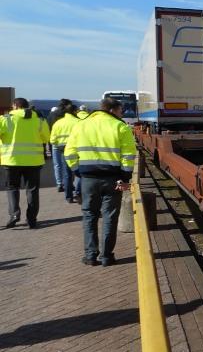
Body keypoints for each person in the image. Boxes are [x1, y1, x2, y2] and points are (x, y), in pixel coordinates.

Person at [65, 98, 135, 266]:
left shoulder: (81, 125)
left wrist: (77, 171)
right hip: (113, 179)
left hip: (88, 179)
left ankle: (90, 255)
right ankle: (106, 256)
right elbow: (128, 156)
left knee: (89, 215)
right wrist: (125, 178)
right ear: (113, 110)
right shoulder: (120, 127)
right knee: (110, 217)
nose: (122, 113)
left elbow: (69, 153)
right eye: (121, 110)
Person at [0, 98, 50, 229]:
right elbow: (47, 138)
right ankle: (32, 219)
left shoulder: (6, 119)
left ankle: (14, 214)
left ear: (15, 106)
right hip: (33, 161)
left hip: (11, 160)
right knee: (32, 190)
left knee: (12, 188)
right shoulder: (39, 120)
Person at [49, 103, 80, 202]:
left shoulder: (58, 123)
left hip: (63, 150)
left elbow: (52, 140)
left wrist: (60, 145)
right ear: (74, 111)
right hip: (78, 149)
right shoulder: (79, 122)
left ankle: (68, 196)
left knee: (67, 174)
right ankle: (79, 193)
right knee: (79, 173)